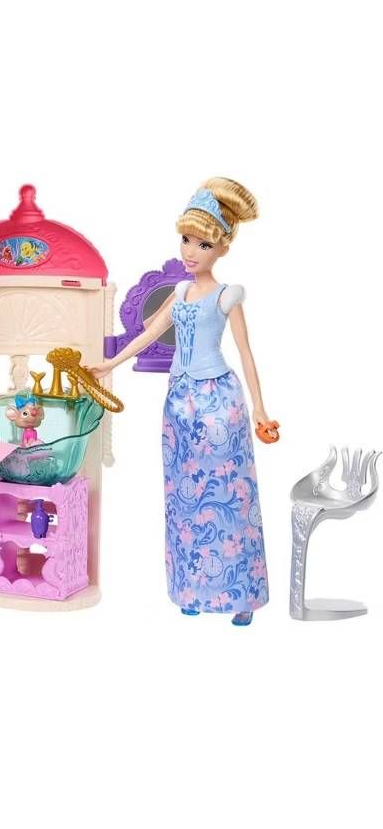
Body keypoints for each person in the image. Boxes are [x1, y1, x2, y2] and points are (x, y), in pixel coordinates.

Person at [89, 178, 276, 625]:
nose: (191, 251)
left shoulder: (227, 295)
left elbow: (245, 352)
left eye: (203, 244)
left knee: (231, 494)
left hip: (219, 403)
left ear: (222, 248)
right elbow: (149, 334)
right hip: (179, 404)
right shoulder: (179, 293)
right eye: (187, 240)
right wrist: (110, 363)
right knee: (184, 499)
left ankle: (240, 596)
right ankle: (192, 588)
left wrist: (259, 408)